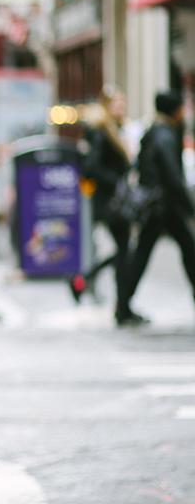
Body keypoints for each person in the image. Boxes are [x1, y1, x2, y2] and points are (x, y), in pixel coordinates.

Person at [116, 91, 195, 326]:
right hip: (163, 206)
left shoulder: (154, 132)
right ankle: (123, 306)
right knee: (179, 251)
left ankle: (123, 305)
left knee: (182, 250)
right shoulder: (165, 136)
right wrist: (190, 208)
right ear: (175, 110)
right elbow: (173, 177)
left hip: (157, 205)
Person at [70, 85, 131, 306]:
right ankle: (88, 280)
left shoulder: (116, 129)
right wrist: (115, 180)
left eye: (124, 103)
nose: (122, 107)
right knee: (123, 250)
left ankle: (88, 281)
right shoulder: (100, 131)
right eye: (117, 103)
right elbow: (91, 167)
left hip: (113, 199)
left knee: (122, 249)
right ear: (106, 106)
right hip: (108, 200)